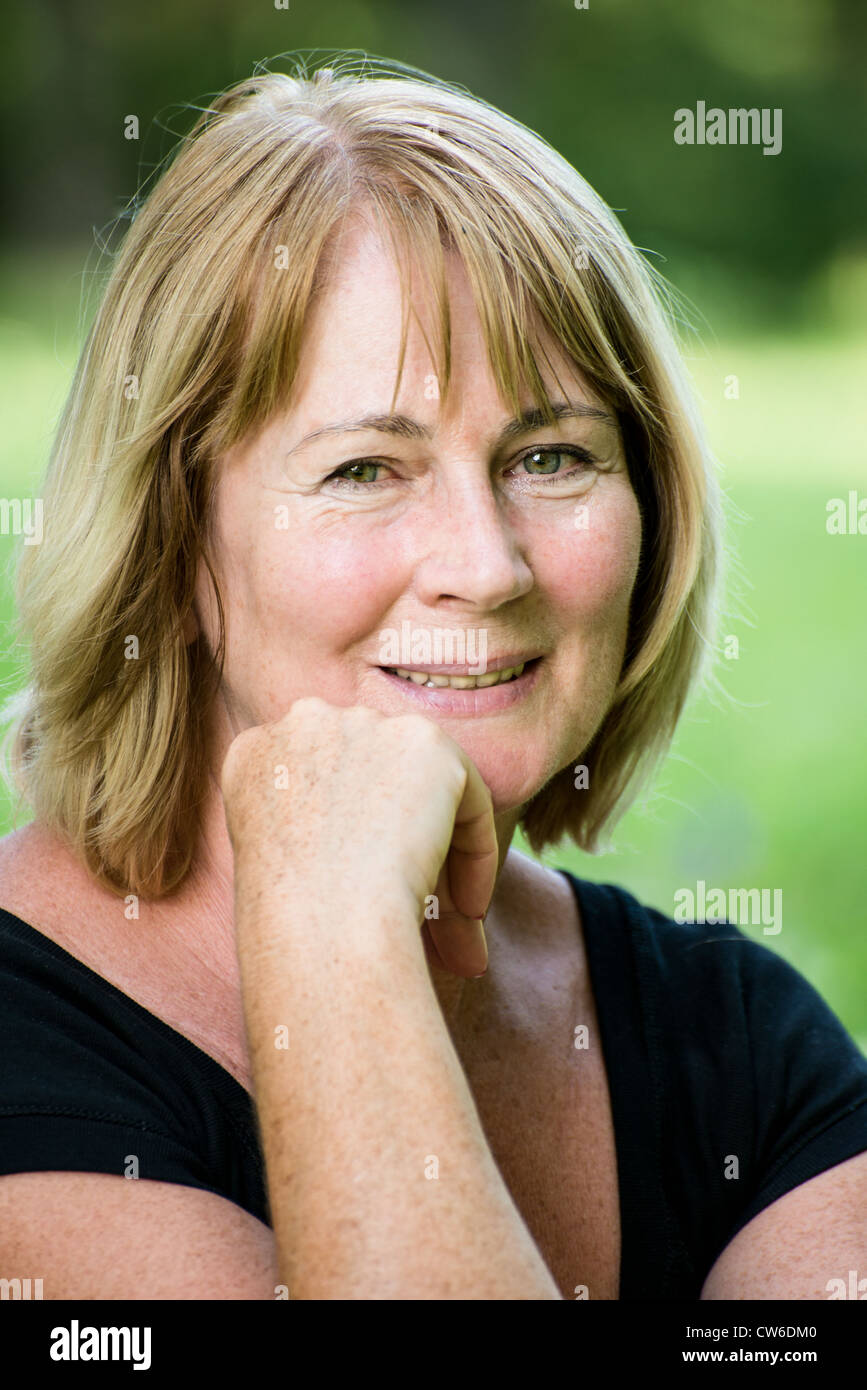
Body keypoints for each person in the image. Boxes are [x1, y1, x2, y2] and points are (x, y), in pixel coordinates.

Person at [0, 57, 864, 1302]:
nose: (485, 562)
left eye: (554, 455)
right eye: (364, 469)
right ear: (175, 542)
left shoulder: (740, 1044)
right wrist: (336, 946)